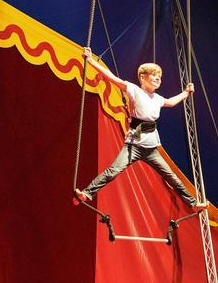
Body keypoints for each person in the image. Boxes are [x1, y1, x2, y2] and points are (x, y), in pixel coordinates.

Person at [74, 48, 205, 209]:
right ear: (143, 77)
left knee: (171, 176)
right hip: (134, 145)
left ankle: (193, 203)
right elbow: (112, 78)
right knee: (114, 170)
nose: (158, 78)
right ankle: (87, 193)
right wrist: (91, 61)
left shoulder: (157, 98)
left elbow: (171, 102)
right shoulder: (134, 90)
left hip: (151, 148)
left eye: (160, 77)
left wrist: (186, 93)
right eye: (154, 75)